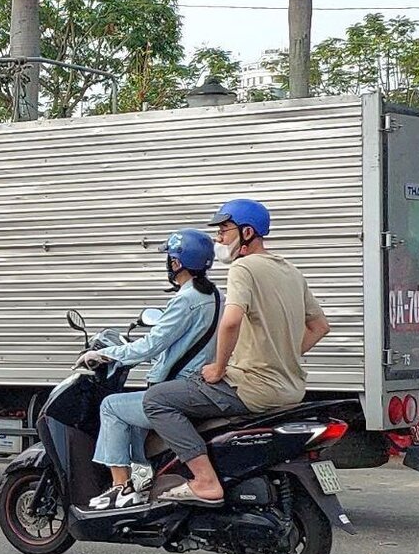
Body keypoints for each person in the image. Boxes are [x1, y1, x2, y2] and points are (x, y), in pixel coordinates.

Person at [144, 199, 331, 504]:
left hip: (252, 387)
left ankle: (204, 480)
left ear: (246, 232)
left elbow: (231, 321)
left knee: (157, 400)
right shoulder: (291, 271)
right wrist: (283, 355)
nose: (219, 238)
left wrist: (218, 367)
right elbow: (320, 326)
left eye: (224, 229)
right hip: (292, 389)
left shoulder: (244, 267)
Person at [79, 229, 222, 510]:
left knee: (111, 406)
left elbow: (150, 345)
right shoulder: (216, 295)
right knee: (128, 412)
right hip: (195, 383)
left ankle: (120, 487)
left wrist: (103, 353)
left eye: (170, 257)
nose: (168, 263)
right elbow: (180, 345)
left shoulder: (185, 299)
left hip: (175, 390)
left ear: (177, 263)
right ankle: (142, 479)